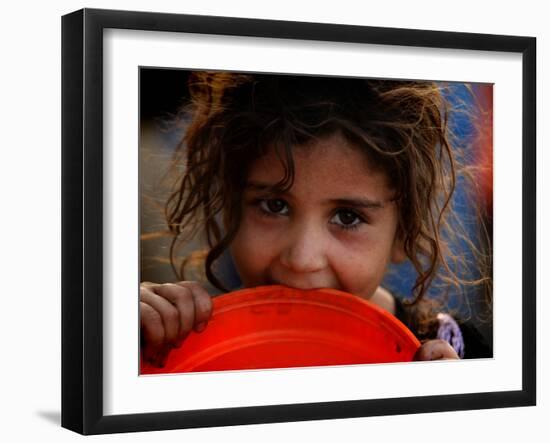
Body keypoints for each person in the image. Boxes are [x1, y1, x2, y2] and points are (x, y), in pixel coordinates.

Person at [139, 72, 492, 368]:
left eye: (347, 216)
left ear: (403, 232)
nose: (302, 260)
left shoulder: (458, 360)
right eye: (274, 206)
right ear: (230, 207)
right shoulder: (183, 345)